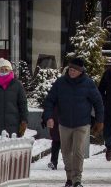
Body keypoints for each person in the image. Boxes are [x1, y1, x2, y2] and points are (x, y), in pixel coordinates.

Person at [42, 55, 104, 187]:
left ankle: (77, 180)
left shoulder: (88, 83)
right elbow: (50, 100)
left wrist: (99, 120)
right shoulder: (60, 83)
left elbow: (98, 102)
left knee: (78, 151)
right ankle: (69, 177)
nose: (71, 72)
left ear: (80, 71)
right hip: (64, 123)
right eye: (70, 69)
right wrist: (48, 117)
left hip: (82, 123)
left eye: (74, 70)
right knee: (65, 151)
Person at [0, 58, 28, 137]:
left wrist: (24, 120)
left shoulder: (17, 85)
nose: (4, 71)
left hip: (13, 126)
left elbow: (23, 104)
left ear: (10, 71)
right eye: (2, 69)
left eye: (6, 69)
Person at [42, 100, 61, 173]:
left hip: (66, 121)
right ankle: (53, 162)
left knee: (68, 143)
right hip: (55, 121)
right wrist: (45, 118)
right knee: (56, 142)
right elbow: (48, 105)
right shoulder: (55, 92)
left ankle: (71, 163)